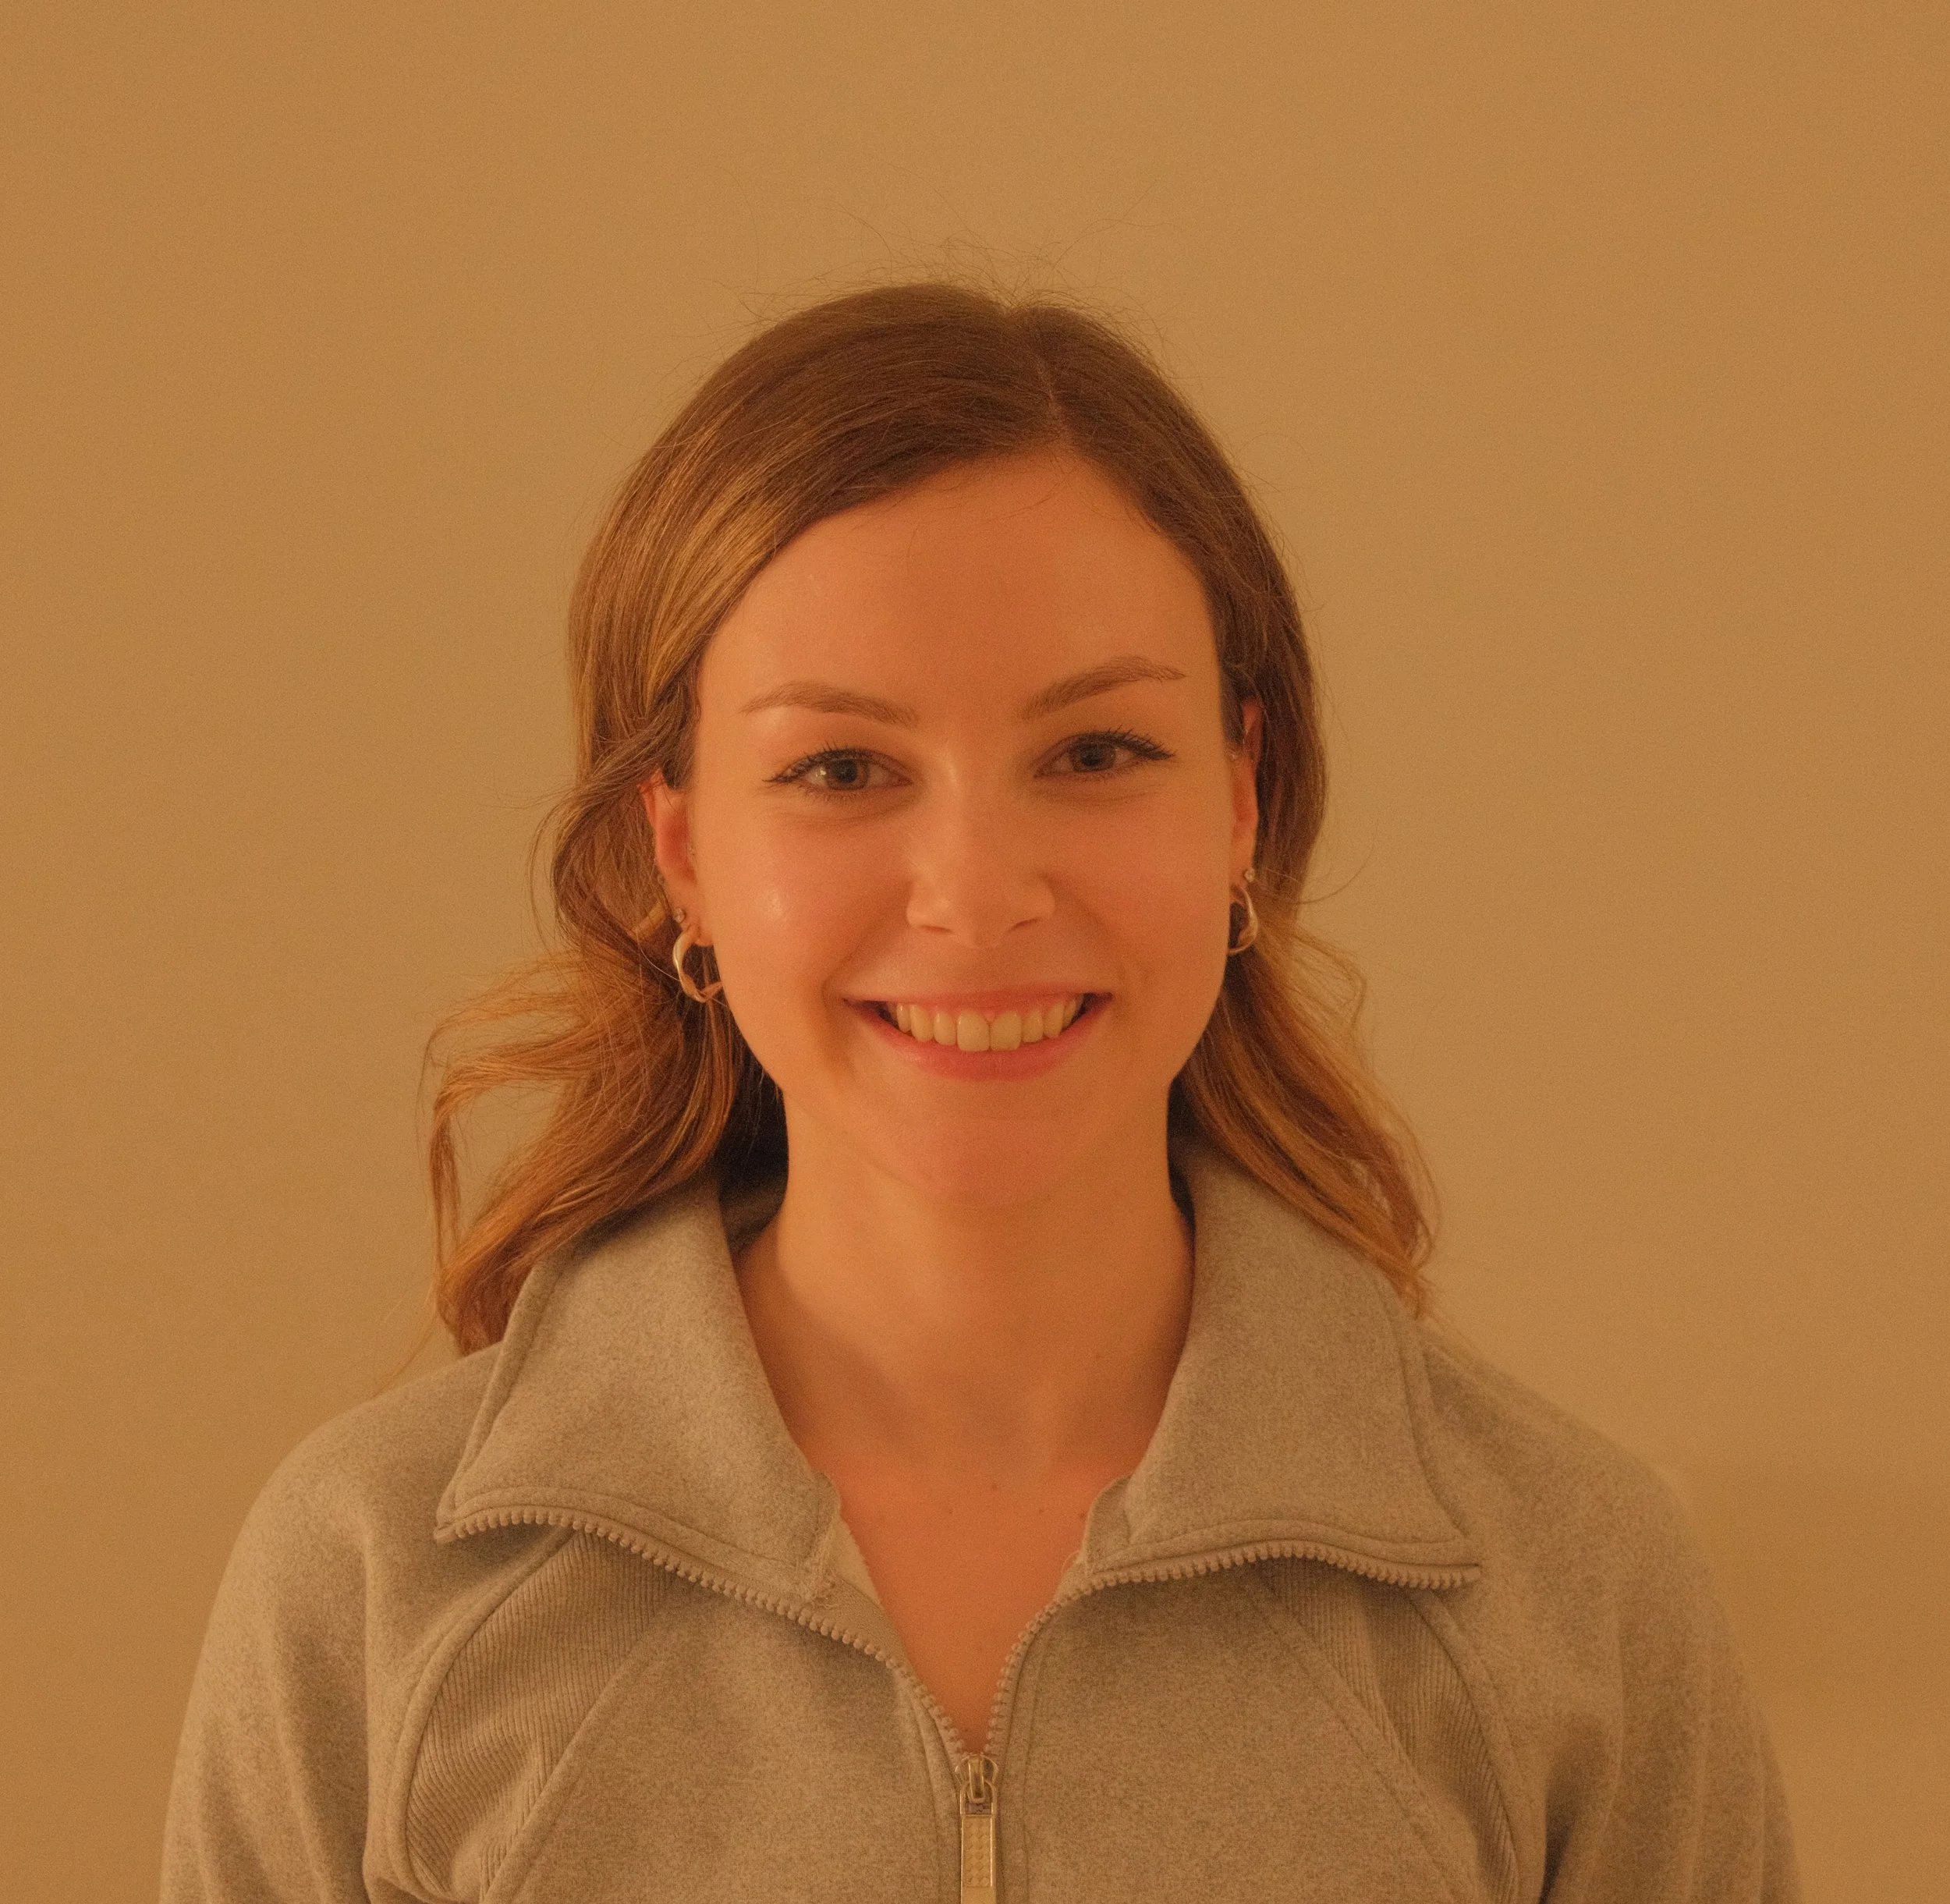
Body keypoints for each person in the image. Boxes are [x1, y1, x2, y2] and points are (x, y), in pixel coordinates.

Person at [161, 282, 1801, 1902]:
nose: (974, 890)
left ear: (1238, 800)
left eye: (1092, 752)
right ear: (682, 855)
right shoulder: (372, 1580)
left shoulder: (1571, 1588)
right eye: (839, 769)